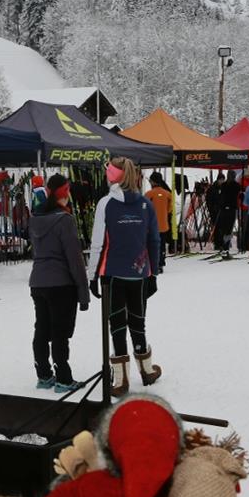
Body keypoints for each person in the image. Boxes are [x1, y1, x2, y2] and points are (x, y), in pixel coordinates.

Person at [89, 156, 162, 396]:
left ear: (115, 175)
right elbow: (153, 240)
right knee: (138, 321)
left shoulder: (106, 203)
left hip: (112, 273)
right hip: (140, 273)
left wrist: (92, 275)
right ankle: (147, 370)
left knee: (117, 324)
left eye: (109, 169)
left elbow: (97, 243)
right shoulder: (145, 203)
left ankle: (121, 381)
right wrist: (153, 274)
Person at [29, 173, 90, 392]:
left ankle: (44, 374)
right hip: (61, 284)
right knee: (59, 332)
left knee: (42, 329)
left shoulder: (36, 218)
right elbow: (74, 258)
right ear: (63, 193)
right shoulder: (64, 220)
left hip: (38, 282)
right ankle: (64, 378)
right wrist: (83, 293)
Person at [145, 172, 175, 267]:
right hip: (164, 225)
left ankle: (154, 262)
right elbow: (170, 209)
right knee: (162, 244)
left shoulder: (148, 194)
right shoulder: (168, 194)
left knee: (152, 245)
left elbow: (144, 209)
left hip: (151, 225)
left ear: (153, 182)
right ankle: (161, 262)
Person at [216, 170, 242, 256]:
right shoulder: (224, 185)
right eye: (229, 175)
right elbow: (220, 196)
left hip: (232, 209)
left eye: (232, 175)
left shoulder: (237, 185)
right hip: (223, 209)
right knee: (223, 228)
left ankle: (226, 247)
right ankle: (223, 245)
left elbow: (241, 192)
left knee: (228, 229)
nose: (230, 177)